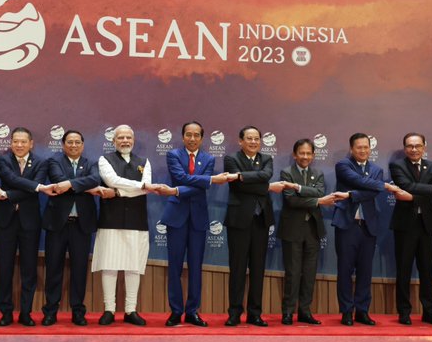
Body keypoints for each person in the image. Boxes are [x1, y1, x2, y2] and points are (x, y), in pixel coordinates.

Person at [160, 121, 236, 327]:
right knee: (174, 267)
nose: (192, 139)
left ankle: (192, 311)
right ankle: (175, 311)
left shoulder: (209, 158)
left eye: (196, 135)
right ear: (183, 136)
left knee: (195, 267)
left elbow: (199, 187)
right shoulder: (173, 155)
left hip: (198, 218)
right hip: (176, 217)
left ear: (202, 138)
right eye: (188, 135)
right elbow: (180, 177)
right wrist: (208, 180)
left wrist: (179, 189)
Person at [332, 133, 408, 326]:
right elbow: (364, 184)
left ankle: (362, 311)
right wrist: (382, 186)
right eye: (359, 147)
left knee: (366, 271)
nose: (363, 150)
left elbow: (371, 190)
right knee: (345, 270)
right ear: (351, 149)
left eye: (366, 147)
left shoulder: (376, 169)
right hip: (347, 225)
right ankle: (347, 311)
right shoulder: (343, 166)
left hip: (368, 226)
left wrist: (349, 195)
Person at [91, 125, 163, 326]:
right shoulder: (105, 160)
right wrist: (140, 186)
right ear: (113, 141)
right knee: (109, 265)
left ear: (133, 140)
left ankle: (131, 310)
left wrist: (120, 191)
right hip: (110, 219)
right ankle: (109, 309)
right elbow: (111, 179)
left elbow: (145, 188)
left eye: (128, 137)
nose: (124, 141)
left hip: (136, 220)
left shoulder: (144, 162)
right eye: (120, 137)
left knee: (134, 266)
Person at [41, 129, 107, 326]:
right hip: (57, 224)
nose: (73, 145)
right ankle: (50, 311)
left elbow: (94, 179)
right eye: (69, 142)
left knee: (79, 270)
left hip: (82, 225)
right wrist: (84, 187)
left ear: (83, 145)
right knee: (53, 268)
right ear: (63, 145)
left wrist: (69, 184)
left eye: (77, 142)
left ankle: (78, 311)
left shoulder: (91, 163)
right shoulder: (54, 162)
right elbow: (57, 181)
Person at [223, 125, 286, 327]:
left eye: (256, 139)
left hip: (261, 219)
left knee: (258, 268)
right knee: (238, 267)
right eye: (249, 139)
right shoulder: (231, 159)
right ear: (241, 141)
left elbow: (265, 175)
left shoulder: (266, 159)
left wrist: (242, 176)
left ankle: (254, 313)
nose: (253, 142)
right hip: (238, 220)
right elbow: (239, 186)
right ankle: (234, 312)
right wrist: (263, 186)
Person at [0, 127, 52, 327]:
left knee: (29, 269)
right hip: (6, 221)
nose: (19, 145)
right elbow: (12, 180)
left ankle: (26, 312)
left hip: (29, 222)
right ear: (10, 142)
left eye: (23, 141)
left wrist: (7, 195)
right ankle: (6, 312)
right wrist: (34, 187)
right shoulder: (2, 160)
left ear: (31, 143)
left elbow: (35, 189)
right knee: (5, 267)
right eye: (15, 141)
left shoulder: (42, 162)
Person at [277, 138, 339, 326]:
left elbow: (319, 191)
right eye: (301, 153)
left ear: (313, 155)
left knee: (309, 273)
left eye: (308, 153)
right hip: (292, 229)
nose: (305, 157)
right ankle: (288, 312)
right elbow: (291, 201)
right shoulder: (286, 172)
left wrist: (300, 189)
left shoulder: (318, 173)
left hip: (312, 229)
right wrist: (317, 200)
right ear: (295, 154)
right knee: (293, 272)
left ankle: (305, 311)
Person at [389, 133, 432, 326]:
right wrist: (431, 188)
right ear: (405, 148)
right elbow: (406, 185)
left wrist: (413, 195)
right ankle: (404, 312)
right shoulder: (397, 166)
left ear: (424, 146)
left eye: (418, 146)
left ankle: (429, 312)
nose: (414, 149)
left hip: (427, 225)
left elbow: (431, 193)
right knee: (403, 270)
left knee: (426, 270)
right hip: (405, 225)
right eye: (410, 146)